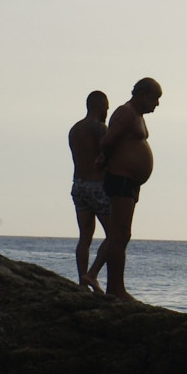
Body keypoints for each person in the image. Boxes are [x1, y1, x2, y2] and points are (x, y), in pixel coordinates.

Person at [85, 77, 161, 297]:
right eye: (154, 98)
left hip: (130, 180)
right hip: (121, 178)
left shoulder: (136, 116)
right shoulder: (125, 113)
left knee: (122, 235)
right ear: (142, 94)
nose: (156, 104)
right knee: (120, 234)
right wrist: (103, 158)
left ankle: (113, 285)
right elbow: (108, 140)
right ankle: (115, 288)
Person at [67, 90, 110, 291]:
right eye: (106, 108)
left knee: (85, 237)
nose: (107, 112)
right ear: (100, 106)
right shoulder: (99, 128)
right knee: (116, 235)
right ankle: (92, 274)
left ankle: (82, 281)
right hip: (97, 186)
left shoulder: (74, 129)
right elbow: (106, 155)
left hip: (78, 185)